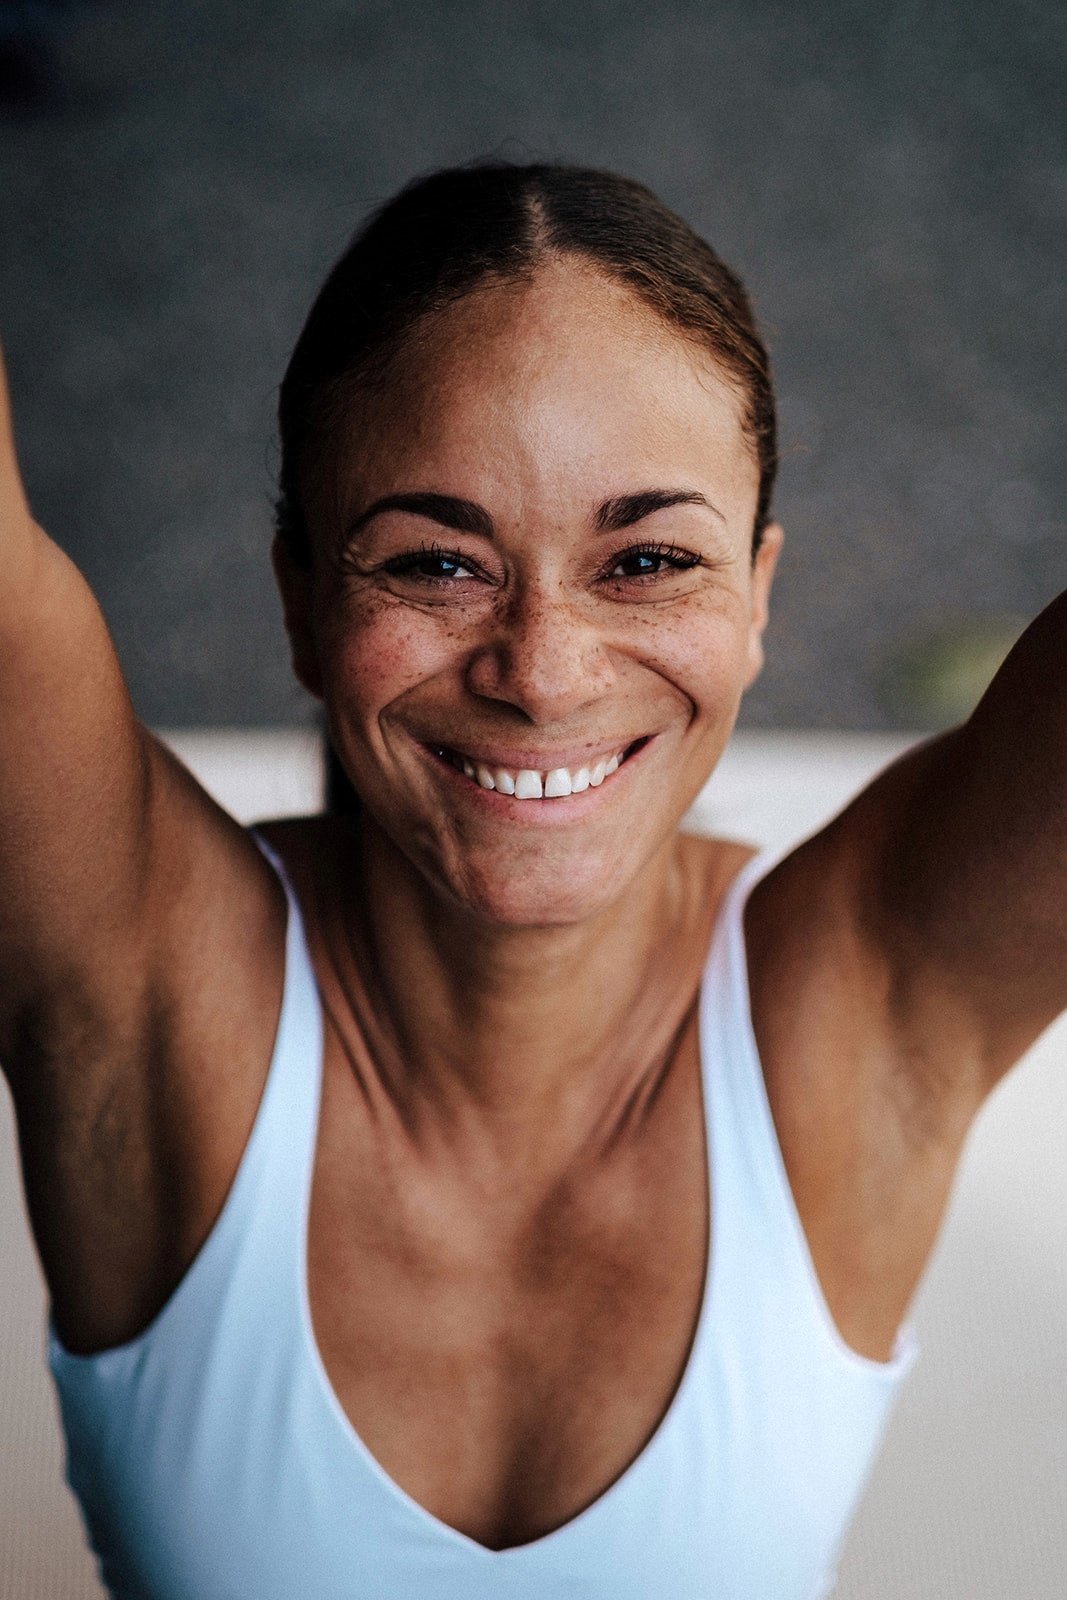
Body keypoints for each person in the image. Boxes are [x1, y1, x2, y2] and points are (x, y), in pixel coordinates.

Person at [0, 161, 1063, 1600]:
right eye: (438, 563)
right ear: (301, 601)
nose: (544, 674)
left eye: (648, 560)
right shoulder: (140, 985)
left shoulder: (871, 1001)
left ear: (756, 593)